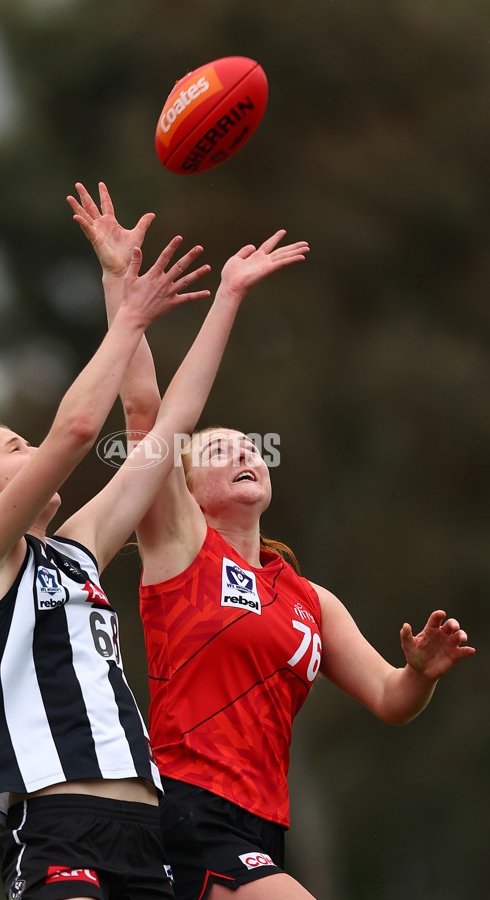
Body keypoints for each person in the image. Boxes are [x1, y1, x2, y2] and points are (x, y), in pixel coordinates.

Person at [69, 183, 475, 900]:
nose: (247, 454)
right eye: (221, 451)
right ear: (185, 490)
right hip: (188, 810)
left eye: (252, 448)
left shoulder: (308, 598)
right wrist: (121, 280)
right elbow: (144, 406)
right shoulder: (179, 548)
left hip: (264, 823)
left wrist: (421, 674)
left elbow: (387, 696)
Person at [0, 187, 309, 900]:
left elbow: (170, 422)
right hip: (55, 819)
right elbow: (74, 432)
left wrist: (221, 294)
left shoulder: (78, 548)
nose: (33, 449)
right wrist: (127, 315)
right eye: (15, 448)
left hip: (141, 827)